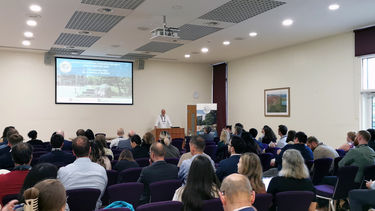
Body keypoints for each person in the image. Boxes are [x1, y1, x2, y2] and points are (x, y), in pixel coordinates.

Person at [57, 136, 108, 209]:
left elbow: (60, 196)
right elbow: (101, 195)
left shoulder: (62, 172)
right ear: (90, 150)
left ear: (73, 152)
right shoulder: (101, 170)